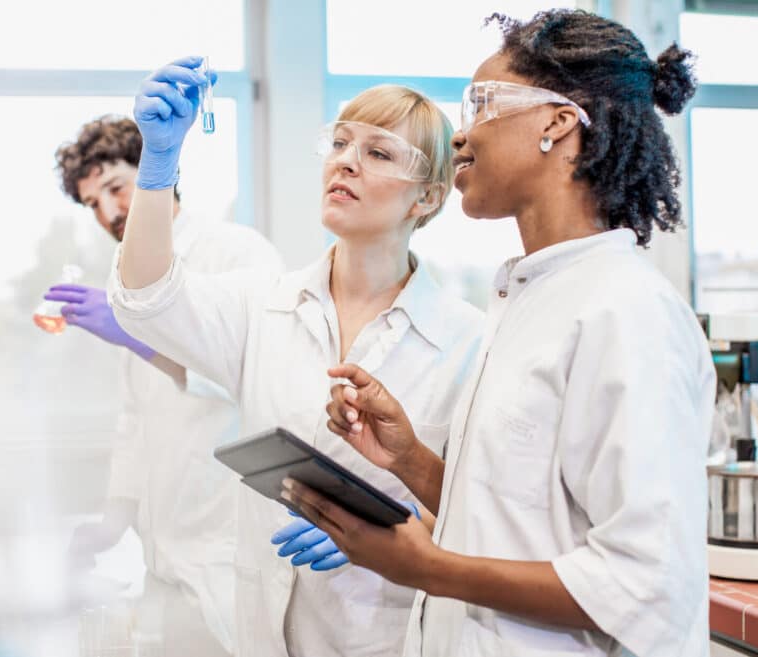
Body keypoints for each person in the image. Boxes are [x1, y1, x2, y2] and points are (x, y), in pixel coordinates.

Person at [284, 9, 716, 657]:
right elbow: (517, 519)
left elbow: (650, 582)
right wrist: (410, 458)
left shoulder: (626, 311)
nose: (460, 136)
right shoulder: (527, 297)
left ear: (557, 122)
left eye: (481, 104)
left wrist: (426, 567)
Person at [108, 57, 483, 657]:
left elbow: (485, 515)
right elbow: (148, 301)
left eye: (379, 153)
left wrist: (392, 526)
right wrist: (159, 168)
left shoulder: (469, 343)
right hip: (260, 632)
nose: (346, 161)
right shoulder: (263, 305)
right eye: (340, 143)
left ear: (428, 197)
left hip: (384, 636)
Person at [50, 115, 282, 656]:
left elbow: (259, 379)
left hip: (227, 546)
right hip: (164, 555)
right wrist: (111, 523)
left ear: (158, 173)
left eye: (116, 187)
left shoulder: (238, 253)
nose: (109, 212)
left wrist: (137, 336)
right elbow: (136, 415)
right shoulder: (123, 276)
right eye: (92, 203)